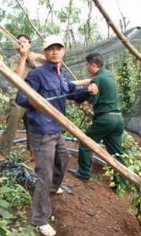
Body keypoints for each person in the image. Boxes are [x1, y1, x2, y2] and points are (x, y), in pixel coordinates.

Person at [15, 35, 88, 236]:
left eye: (59, 48)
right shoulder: (37, 74)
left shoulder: (62, 75)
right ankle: (40, 219)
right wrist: (35, 102)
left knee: (63, 160)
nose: (55, 51)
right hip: (42, 131)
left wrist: (89, 91)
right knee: (44, 174)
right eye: (51, 49)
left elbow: (73, 94)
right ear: (45, 53)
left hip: (57, 129)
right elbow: (20, 97)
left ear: (63, 51)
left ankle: (52, 188)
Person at [69, 53, 125, 183]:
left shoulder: (97, 80)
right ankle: (122, 181)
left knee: (86, 142)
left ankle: (83, 173)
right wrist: (74, 83)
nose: (86, 68)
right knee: (116, 152)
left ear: (93, 65)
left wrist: (77, 99)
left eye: (87, 65)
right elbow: (91, 81)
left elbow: (90, 101)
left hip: (105, 120)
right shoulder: (108, 75)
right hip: (118, 120)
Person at [0, 34, 44, 157]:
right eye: (19, 42)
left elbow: (54, 61)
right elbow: (16, 78)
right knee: (12, 126)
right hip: (18, 96)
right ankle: (3, 153)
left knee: (33, 126)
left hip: (34, 97)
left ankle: (33, 154)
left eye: (25, 41)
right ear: (16, 45)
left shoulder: (36, 58)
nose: (22, 43)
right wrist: (23, 57)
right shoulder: (13, 60)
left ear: (29, 44)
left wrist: (36, 56)